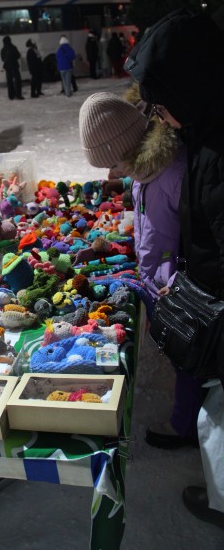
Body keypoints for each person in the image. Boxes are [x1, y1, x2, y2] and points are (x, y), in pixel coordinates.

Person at [124, 8, 224, 529]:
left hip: (216, 303)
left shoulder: (213, 152)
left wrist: (192, 291)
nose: (157, 115)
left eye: (161, 103)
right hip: (206, 294)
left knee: (218, 415)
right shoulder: (203, 133)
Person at [79, 90, 206, 450]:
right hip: (156, 276)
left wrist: (180, 281)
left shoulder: (175, 173)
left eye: (113, 162)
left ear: (125, 149)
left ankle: (186, 427)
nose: (113, 169)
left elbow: (201, 240)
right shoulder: (146, 170)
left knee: (188, 358)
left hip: (179, 285)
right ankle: (188, 411)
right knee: (174, 349)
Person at [0, 35, 24, 100]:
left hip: (7, 67)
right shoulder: (13, 47)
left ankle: (11, 95)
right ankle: (18, 95)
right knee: (17, 80)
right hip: (14, 66)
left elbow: (2, 58)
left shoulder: (3, 49)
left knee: (9, 81)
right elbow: (18, 55)